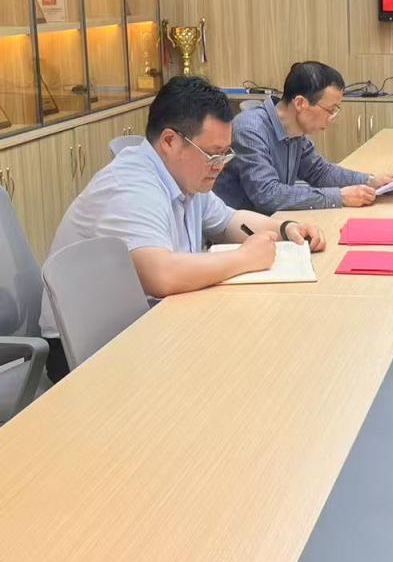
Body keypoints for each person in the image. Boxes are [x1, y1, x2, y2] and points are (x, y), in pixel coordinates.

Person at [39, 77, 325, 381]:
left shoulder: (185, 175)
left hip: (147, 323)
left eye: (225, 154)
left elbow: (228, 221)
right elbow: (162, 275)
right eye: (213, 154)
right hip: (88, 350)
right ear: (170, 141)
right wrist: (245, 258)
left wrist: (285, 228)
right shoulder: (132, 186)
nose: (220, 165)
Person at [214, 61, 393, 213]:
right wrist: (339, 197)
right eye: (330, 110)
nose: (332, 118)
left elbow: (319, 172)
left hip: (271, 222)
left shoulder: (294, 131)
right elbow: (267, 195)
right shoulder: (250, 129)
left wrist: (370, 181)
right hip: (238, 234)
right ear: (300, 103)